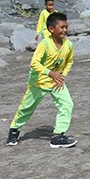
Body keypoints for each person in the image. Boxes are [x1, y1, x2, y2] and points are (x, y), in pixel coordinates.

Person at [6, 12, 77, 148]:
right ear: (51, 29)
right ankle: (14, 130)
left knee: (67, 105)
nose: (65, 30)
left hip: (56, 82)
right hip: (39, 81)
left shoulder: (68, 45)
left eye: (66, 27)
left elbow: (69, 62)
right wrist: (50, 73)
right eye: (61, 27)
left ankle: (58, 136)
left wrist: (62, 76)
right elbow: (34, 63)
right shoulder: (45, 44)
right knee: (27, 107)